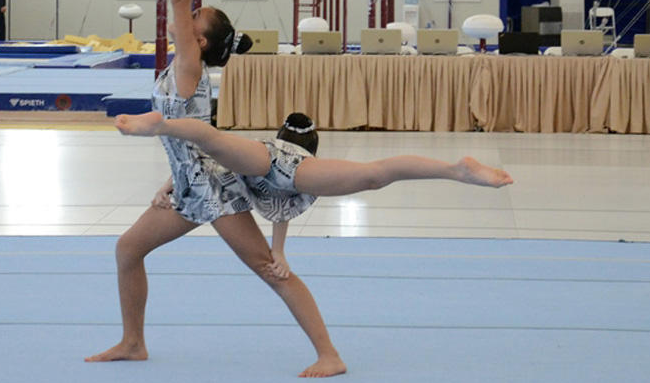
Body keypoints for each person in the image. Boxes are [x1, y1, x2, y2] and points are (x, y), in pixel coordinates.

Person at [86, 0, 347, 378]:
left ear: (199, 42)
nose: (191, 17)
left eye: (196, 19)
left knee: (269, 268)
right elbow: (190, 137)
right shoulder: (181, 65)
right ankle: (133, 342)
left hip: (216, 190)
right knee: (128, 249)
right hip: (189, 186)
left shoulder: (188, 63)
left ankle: (329, 354)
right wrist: (170, 182)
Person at [113, 109, 515, 279]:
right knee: (374, 176)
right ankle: (453, 171)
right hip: (276, 168)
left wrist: (164, 186)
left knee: (214, 140)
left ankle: (163, 125)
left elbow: (198, 161)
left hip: (269, 162)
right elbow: (280, 204)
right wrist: (164, 188)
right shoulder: (294, 167)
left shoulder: (280, 156)